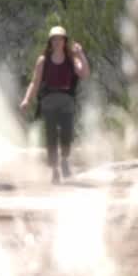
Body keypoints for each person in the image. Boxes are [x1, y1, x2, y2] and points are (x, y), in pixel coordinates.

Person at [20, 25, 89, 183]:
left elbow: (84, 73)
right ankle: (55, 170)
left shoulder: (72, 59)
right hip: (48, 101)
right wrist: (27, 100)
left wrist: (81, 54)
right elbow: (35, 82)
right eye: (54, 39)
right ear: (50, 42)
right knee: (51, 136)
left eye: (60, 39)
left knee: (67, 133)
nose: (57, 42)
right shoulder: (43, 61)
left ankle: (64, 159)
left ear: (65, 41)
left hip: (67, 100)